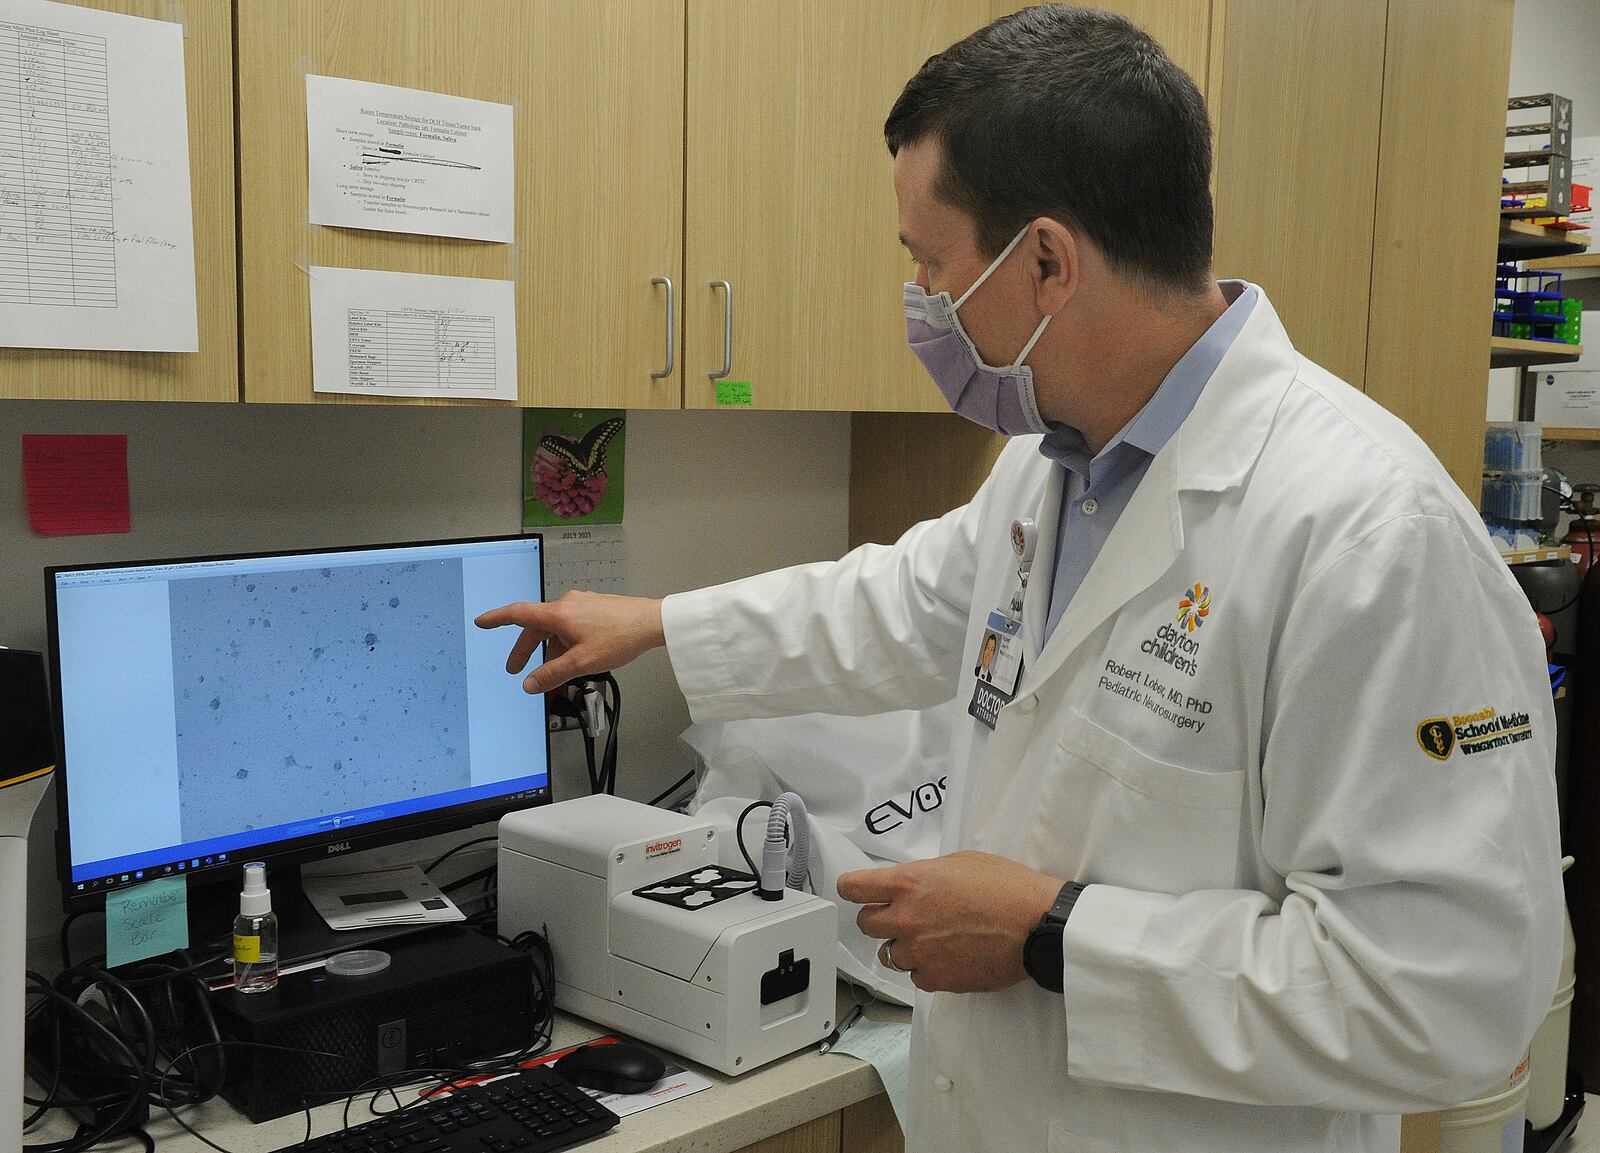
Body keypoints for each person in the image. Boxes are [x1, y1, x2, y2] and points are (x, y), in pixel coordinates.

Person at [476, 7, 1562, 1152]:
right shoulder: (1056, 464)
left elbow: (1451, 997)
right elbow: (902, 605)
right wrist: (657, 624)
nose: (922, 303)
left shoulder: (1369, 535)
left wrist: (1055, 936)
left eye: (930, 264)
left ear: (1045, 260)